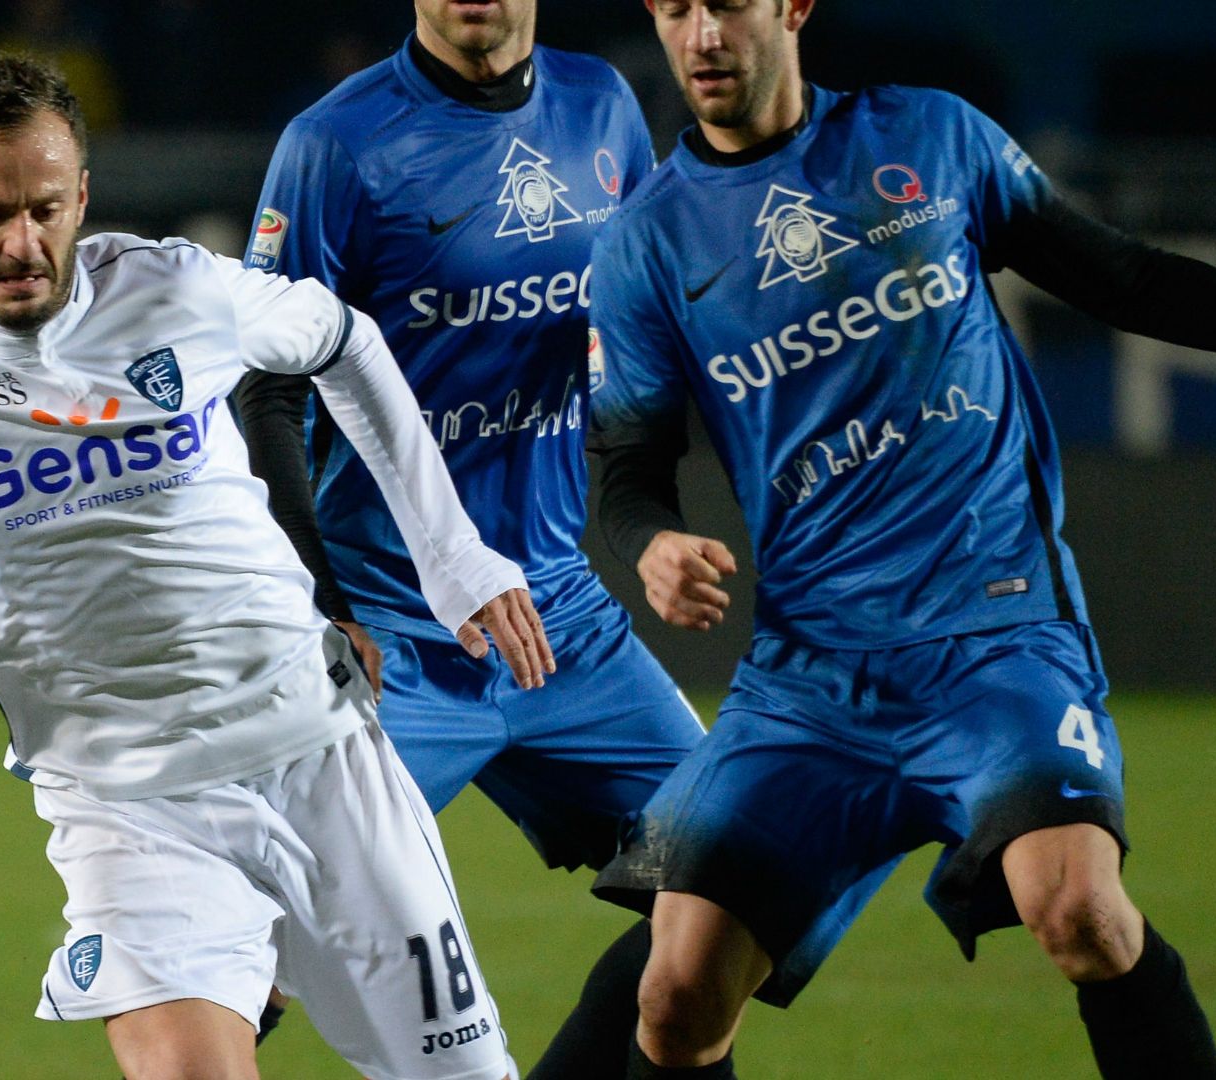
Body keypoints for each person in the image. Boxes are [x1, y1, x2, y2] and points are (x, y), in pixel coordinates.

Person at [584, 2, 1216, 1078]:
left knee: (1081, 912)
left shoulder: (931, 137)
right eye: (675, 8)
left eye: (728, 4)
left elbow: (1124, 277)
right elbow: (629, 462)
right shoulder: (647, 239)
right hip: (808, 679)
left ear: (792, 7)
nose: (702, 35)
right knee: (674, 996)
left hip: (999, 635)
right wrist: (652, 542)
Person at [0, 52, 556, 1080]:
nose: (22, 244)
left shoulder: (175, 288)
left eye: (44, 210)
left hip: (322, 751)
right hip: (131, 804)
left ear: (81, 197)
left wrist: (454, 557)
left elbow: (346, 341)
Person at [233, 2, 777, 1071]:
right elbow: (267, 390)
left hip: (557, 616)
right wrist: (322, 605)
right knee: (243, 950)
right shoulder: (335, 144)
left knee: (743, 880)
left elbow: (634, 330)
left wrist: (649, 525)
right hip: (390, 637)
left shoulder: (600, 105)